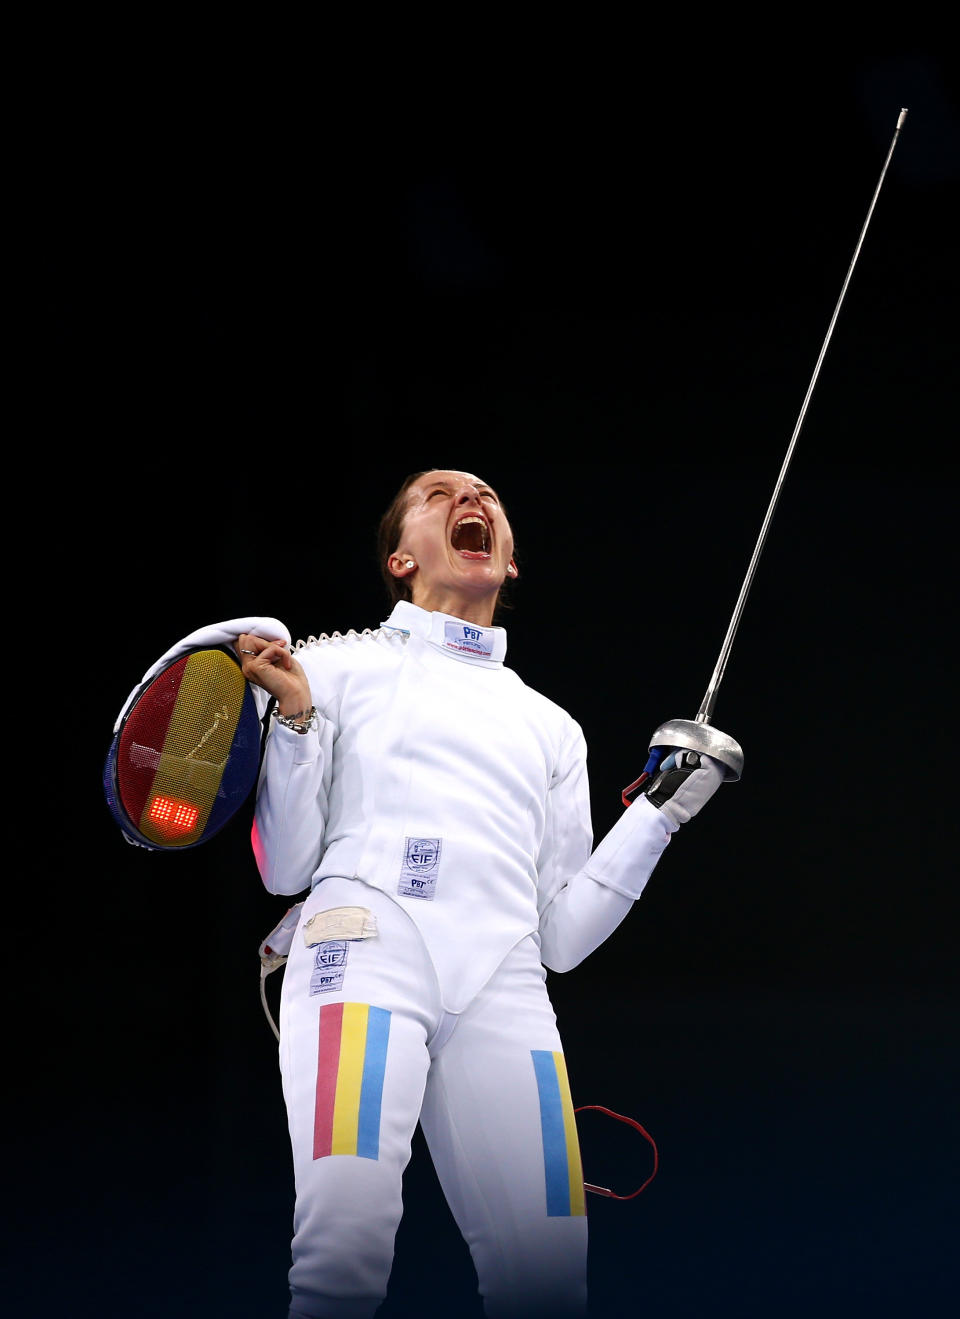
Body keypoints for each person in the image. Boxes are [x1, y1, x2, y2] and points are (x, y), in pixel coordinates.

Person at [232, 469, 731, 1318]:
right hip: (360, 963)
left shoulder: (550, 727)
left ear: (508, 562)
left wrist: (658, 816)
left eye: (488, 496)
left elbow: (562, 937)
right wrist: (294, 719)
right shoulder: (328, 666)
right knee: (342, 1252)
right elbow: (283, 868)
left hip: (505, 991)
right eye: (439, 493)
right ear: (399, 558)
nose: (474, 500)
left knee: (547, 1280)